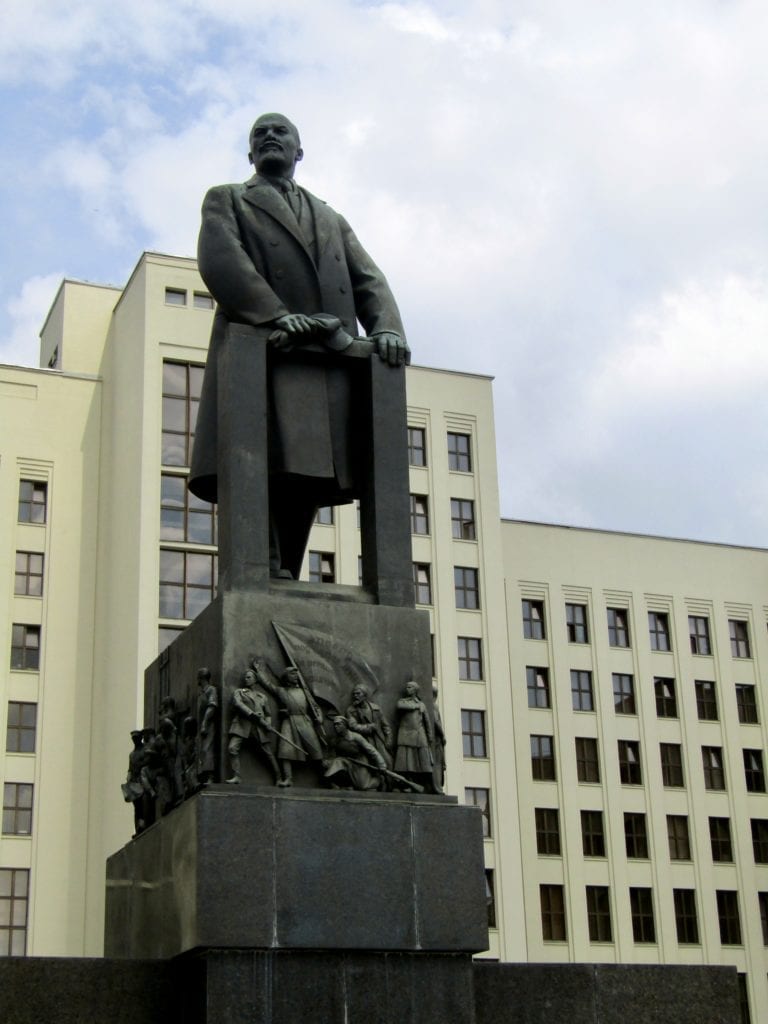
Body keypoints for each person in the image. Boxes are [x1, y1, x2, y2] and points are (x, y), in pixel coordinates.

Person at [189, 113, 409, 579]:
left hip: (323, 365)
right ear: (251, 154)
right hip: (266, 353)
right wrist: (273, 313)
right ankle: (261, 569)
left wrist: (386, 327)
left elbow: (368, 277)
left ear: (299, 151)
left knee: (309, 470)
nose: (270, 136)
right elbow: (221, 258)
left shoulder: (330, 217)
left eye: (280, 131)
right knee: (260, 463)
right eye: (259, 134)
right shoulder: (229, 199)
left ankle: (285, 570)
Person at [252, 659, 325, 786]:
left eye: (296, 674)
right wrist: (259, 671)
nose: (295, 675)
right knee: (285, 750)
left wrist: (320, 718)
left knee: (316, 751)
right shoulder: (281, 691)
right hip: (289, 722)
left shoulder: (304, 691)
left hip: (304, 722)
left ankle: (325, 779)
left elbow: (316, 707)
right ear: (286, 678)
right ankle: (288, 779)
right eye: (292, 674)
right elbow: (267, 684)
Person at [226, 669, 280, 784]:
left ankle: (279, 777)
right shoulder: (239, 692)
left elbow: (268, 714)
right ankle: (237, 776)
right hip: (242, 725)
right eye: (245, 677)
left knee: (268, 753)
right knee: (232, 748)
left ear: (255, 680)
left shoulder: (262, 697)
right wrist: (251, 713)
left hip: (258, 727)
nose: (246, 679)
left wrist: (267, 724)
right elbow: (238, 704)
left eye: (249, 677)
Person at [323, 716, 387, 791]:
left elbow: (371, 750)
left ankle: (379, 780)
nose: (336, 727)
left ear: (345, 725)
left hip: (359, 762)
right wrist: (327, 761)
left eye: (338, 724)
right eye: (334, 725)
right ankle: (344, 784)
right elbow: (331, 754)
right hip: (345, 761)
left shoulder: (356, 737)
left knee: (362, 786)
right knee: (336, 763)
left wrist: (382, 764)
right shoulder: (335, 740)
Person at [394, 680, 434, 790]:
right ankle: (406, 783)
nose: (407, 689)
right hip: (405, 734)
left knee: (422, 760)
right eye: (407, 687)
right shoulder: (403, 701)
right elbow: (400, 706)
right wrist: (416, 706)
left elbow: (427, 722)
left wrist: (430, 736)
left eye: (410, 687)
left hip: (419, 734)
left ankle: (426, 783)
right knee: (406, 761)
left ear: (415, 690)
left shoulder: (422, 704)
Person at [345, 685, 393, 770]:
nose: (355, 696)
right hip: (364, 742)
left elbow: (385, 726)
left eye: (358, 693)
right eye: (354, 694)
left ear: (365, 695)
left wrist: (388, 739)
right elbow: (353, 726)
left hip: (379, 740)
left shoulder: (376, 708)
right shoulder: (351, 710)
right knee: (371, 766)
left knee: (388, 762)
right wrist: (368, 727)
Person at [196, 667, 218, 785]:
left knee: (207, 749)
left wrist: (205, 723)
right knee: (201, 751)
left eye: (198, 677)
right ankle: (202, 776)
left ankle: (211, 776)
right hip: (201, 727)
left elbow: (212, 707)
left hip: (208, 726)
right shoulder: (201, 693)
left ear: (201, 678)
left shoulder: (211, 690)